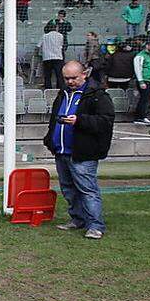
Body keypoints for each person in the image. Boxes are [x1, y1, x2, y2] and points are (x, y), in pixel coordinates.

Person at [43, 60, 114, 240]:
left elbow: (105, 121)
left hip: (83, 153)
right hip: (61, 151)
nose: (70, 81)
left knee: (87, 190)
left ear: (84, 74)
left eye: (73, 78)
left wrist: (80, 121)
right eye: (66, 78)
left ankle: (96, 225)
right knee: (68, 189)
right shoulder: (63, 94)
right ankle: (78, 219)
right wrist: (50, 139)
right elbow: (54, 119)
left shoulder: (98, 96)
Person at [132, 41, 150, 125]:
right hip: (143, 80)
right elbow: (138, 69)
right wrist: (141, 81)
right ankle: (140, 117)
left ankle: (142, 116)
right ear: (147, 46)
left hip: (148, 80)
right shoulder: (140, 56)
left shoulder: (148, 56)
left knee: (146, 99)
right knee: (144, 99)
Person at [38, 25, 65, 90]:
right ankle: (60, 89)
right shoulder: (60, 35)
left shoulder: (44, 36)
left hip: (47, 58)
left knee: (47, 76)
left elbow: (38, 46)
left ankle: (48, 89)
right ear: (56, 28)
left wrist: (39, 54)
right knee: (59, 75)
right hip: (58, 57)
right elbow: (61, 46)